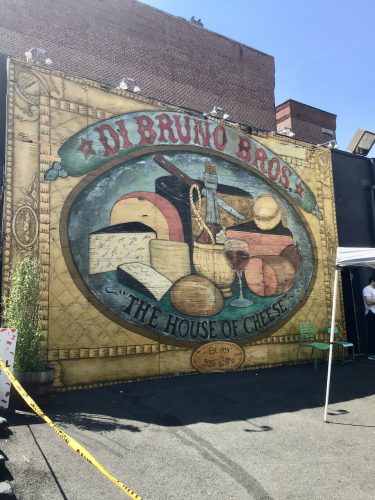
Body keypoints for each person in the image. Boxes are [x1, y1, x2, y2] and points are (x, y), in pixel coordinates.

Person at [362, 274, 375, 360]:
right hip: (371, 314)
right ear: (373, 280)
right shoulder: (367, 289)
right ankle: (371, 354)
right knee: (373, 334)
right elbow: (368, 302)